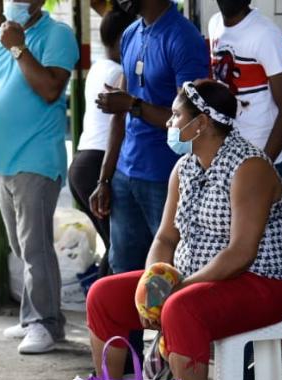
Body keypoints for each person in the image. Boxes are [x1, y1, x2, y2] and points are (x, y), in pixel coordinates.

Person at [87, 80, 282, 380]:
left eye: (175, 116)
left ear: (200, 123)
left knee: (181, 308)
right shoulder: (184, 167)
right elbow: (166, 237)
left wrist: (179, 287)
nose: (169, 122)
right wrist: (154, 280)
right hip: (194, 278)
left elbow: (240, 253)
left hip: (264, 281)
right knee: (103, 294)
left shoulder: (249, 167)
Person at [0, 0, 78, 354]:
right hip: (1, 157)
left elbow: (51, 88)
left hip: (36, 156)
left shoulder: (58, 35)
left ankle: (46, 324)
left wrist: (19, 47)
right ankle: (34, 316)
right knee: (21, 245)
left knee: (35, 245)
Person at [91, 0, 210, 275]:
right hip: (125, 175)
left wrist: (134, 105)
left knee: (168, 272)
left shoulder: (183, 37)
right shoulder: (131, 33)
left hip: (166, 177)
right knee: (124, 271)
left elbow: (191, 120)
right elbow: (119, 114)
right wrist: (104, 178)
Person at [68, 8, 134, 278]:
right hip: (99, 163)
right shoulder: (119, 73)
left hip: (82, 162)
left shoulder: (98, 67)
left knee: (113, 243)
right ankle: (103, 308)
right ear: (122, 39)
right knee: (120, 245)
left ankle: (99, 307)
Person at [207, 0, 282, 171]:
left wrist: (263, 164)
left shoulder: (266, 34)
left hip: (262, 151)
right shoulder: (214, 24)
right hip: (227, 153)